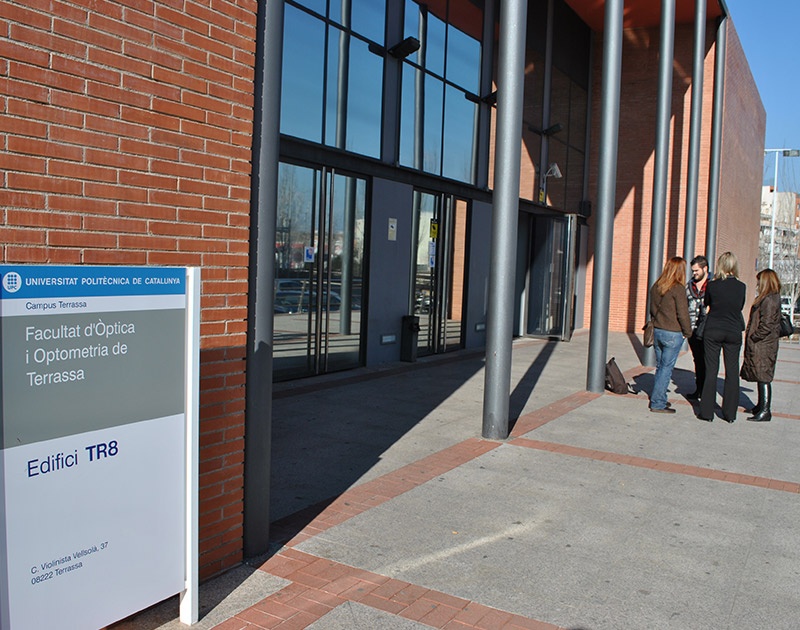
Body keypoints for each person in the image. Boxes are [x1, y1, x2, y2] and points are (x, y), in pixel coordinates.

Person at [698, 252, 746, 423]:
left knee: (711, 370)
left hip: (713, 329)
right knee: (732, 372)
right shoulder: (742, 287)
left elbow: (707, 303)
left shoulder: (712, 285)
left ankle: (707, 412)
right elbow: (739, 306)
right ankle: (730, 413)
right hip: (733, 331)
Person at [648, 257, 692, 414]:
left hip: (658, 330)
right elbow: (683, 314)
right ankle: (658, 402)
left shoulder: (657, 286)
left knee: (661, 367)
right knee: (666, 369)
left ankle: (658, 398)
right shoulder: (678, 288)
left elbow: (651, 309)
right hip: (673, 333)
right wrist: (688, 332)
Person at [740, 269, 782, 422]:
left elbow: (767, 324)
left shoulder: (769, 300)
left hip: (764, 345)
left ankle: (765, 410)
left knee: (763, 376)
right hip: (763, 344)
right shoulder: (768, 298)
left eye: (759, 281)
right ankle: (760, 405)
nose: (757, 284)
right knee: (760, 374)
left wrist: (754, 336)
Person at [685, 255, 709, 399]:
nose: (694, 274)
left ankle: (706, 390)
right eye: (693, 271)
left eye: (696, 271)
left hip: (707, 329)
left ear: (705, 269)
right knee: (697, 360)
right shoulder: (689, 286)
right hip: (693, 330)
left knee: (707, 361)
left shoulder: (712, 285)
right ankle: (699, 388)